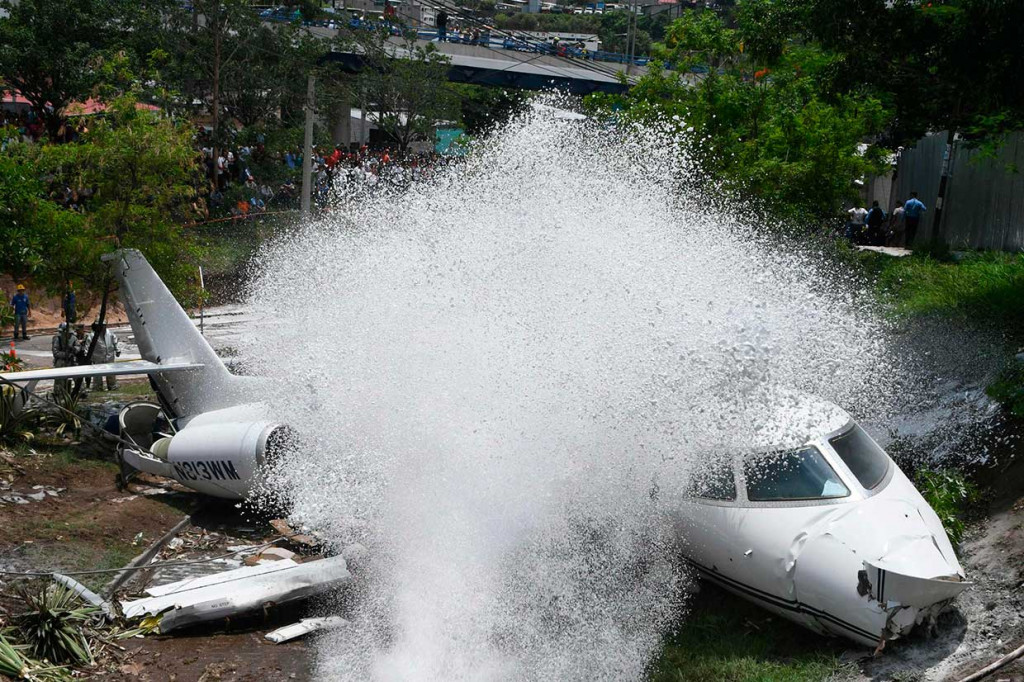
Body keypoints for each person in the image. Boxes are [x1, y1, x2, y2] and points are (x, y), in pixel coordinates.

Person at [90, 322, 121, 391]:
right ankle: (97, 387)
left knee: (111, 372)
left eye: (104, 325)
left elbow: (115, 342)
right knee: (97, 373)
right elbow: (88, 346)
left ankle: (112, 386)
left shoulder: (110, 333)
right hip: (97, 357)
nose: (103, 327)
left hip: (109, 356)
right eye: (102, 325)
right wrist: (88, 356)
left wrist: (117, 350)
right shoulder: (93, 335)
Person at [51, 323, 78, 395]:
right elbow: (55, 352)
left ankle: (80, 391)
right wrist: (65, 355)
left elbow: (78, 346)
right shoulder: (57, 338)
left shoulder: (73, 338)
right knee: (60, 379)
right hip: (61, 361)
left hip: (71, 360)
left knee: (78, 376)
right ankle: (59, 392)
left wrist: (74, 349)